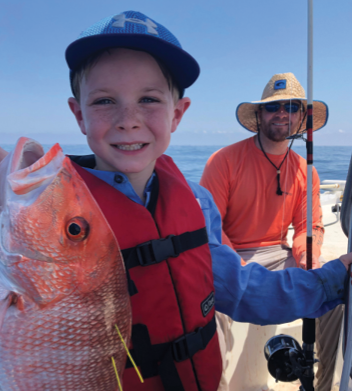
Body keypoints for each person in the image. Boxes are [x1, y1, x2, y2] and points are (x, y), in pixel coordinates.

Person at [0, 12, 351, 391]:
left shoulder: (195, 203)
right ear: (78, 114)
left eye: (148, 99)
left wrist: (334, 278)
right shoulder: (39, 206)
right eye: (104, 100)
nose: (128, 119)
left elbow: (243, 287)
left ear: (178, 114)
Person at [200, 73, 341, 391]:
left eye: (292, 107)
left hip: (280, 253)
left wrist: (309, 261)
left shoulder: (307, 171)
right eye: (273, 107)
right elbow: (211, 228)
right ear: (259, 115)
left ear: (301, 118)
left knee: (339, 292)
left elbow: (309, 227)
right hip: (231, 257)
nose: (282, 114)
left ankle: (323, 385)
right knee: (206, 308)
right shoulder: (223, 161)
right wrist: (238, 270)